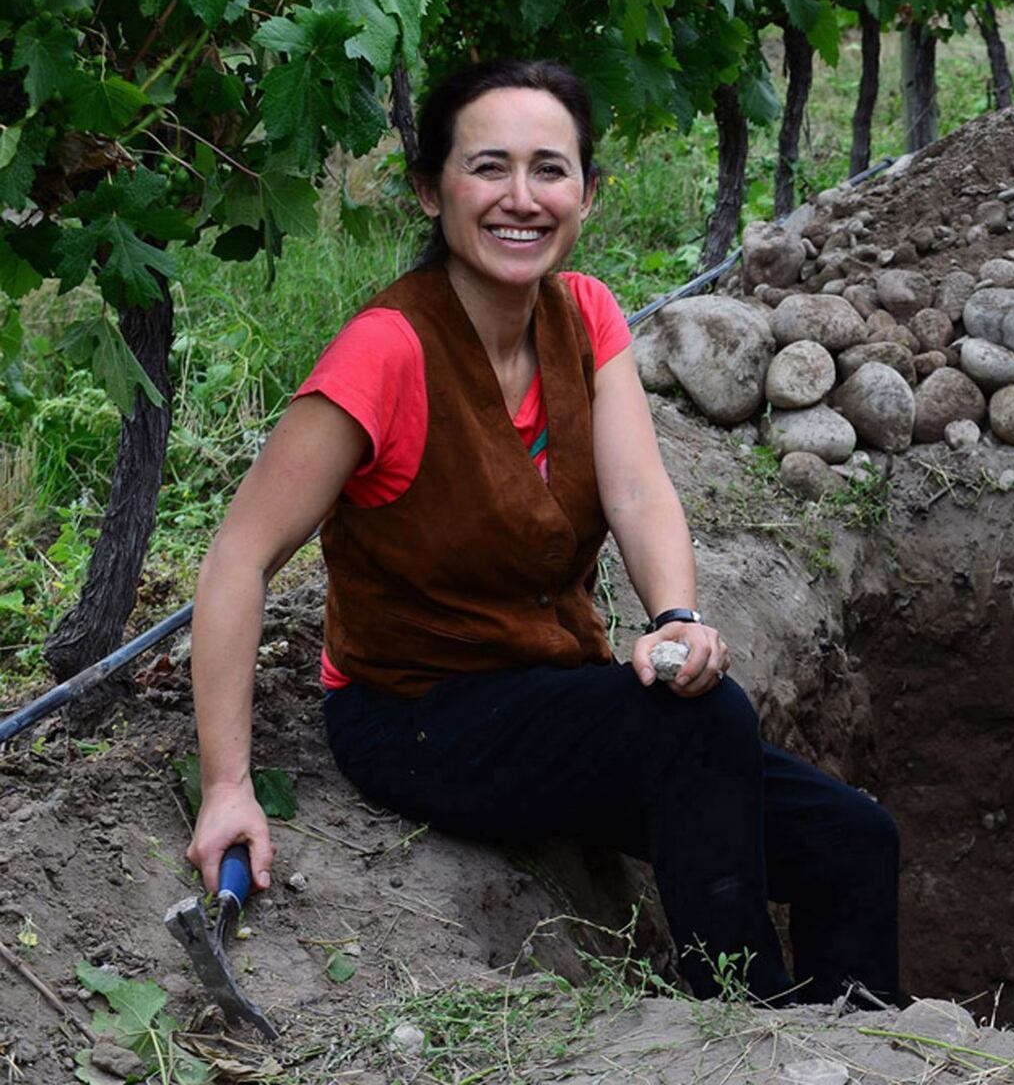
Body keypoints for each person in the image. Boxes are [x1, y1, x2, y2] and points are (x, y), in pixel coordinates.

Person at [184, 58, 899, 1005]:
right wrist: (227, 785)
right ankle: (752, 1015)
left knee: (855, 840)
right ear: (429, 191)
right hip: (415, 714)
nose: (521, 198)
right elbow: (238, 556)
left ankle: (863, 1046)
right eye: (488, 167)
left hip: (546, 693)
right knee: (699, 722)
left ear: (589, 195)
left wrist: (677, 614)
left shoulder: (585, 314)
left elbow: (638, 492)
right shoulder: (388, 350)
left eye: (550, 170)